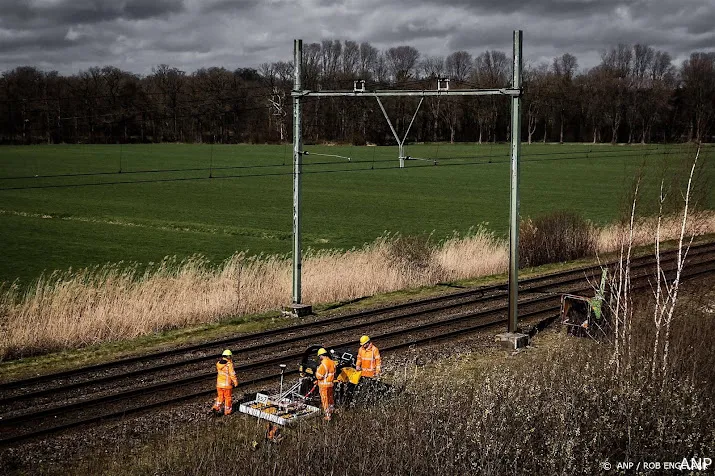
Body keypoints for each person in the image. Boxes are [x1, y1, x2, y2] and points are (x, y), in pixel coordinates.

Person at [211, 349, 238, 415]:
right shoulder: (229, 365)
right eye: (230, 356)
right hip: (227, 385)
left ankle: (216, 407)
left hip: (219, 385)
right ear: (228, 356)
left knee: (220, 397)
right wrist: (235, 382)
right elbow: (232, 374)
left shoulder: (218, 364)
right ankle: (227, 411)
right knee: (228, 398)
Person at [314, 348, 336, 421]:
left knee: (325, 400)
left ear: (321, 355)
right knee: (330, 399)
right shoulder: (332, 362)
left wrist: (317, 373)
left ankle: (328, 416)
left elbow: (319, 376)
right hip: (330, 384)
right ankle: (332, 410)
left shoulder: (323, 364)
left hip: (324, 386)